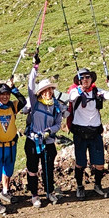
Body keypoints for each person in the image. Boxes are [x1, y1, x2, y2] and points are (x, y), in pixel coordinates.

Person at [66, 67, 109, 199]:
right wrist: (80, 90)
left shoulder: (96, 91)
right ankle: (79, 186)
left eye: (88, 77)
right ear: (78, 80)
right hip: (80, 133)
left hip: (95, 133)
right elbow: (71, 97)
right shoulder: (75, 91)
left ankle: (98, 185)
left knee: (99, 164)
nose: (85, 80)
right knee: (80, 163)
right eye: (82, 78)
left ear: (92, 79)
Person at [24, 52, 65, 207]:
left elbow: (58, 124)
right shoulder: (35, 102)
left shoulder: (56, 106)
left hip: (48, 141)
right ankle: (34, 195)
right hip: (33, 141)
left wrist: (49, 131)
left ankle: (49, 192)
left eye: (50, 90)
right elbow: (30, 84)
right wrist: (35, 67)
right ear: (41, 92)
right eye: (45, 90)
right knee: (32, 169)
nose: (48, 92)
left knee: (48, 168)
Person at [0, 78, 26, 214]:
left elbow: (23, 101)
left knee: (8, 170)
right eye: (2, 94)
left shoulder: (12, 106)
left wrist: (13, 88)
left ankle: (5, 191)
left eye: (7, 94)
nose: (5, 97)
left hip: (11, 145)